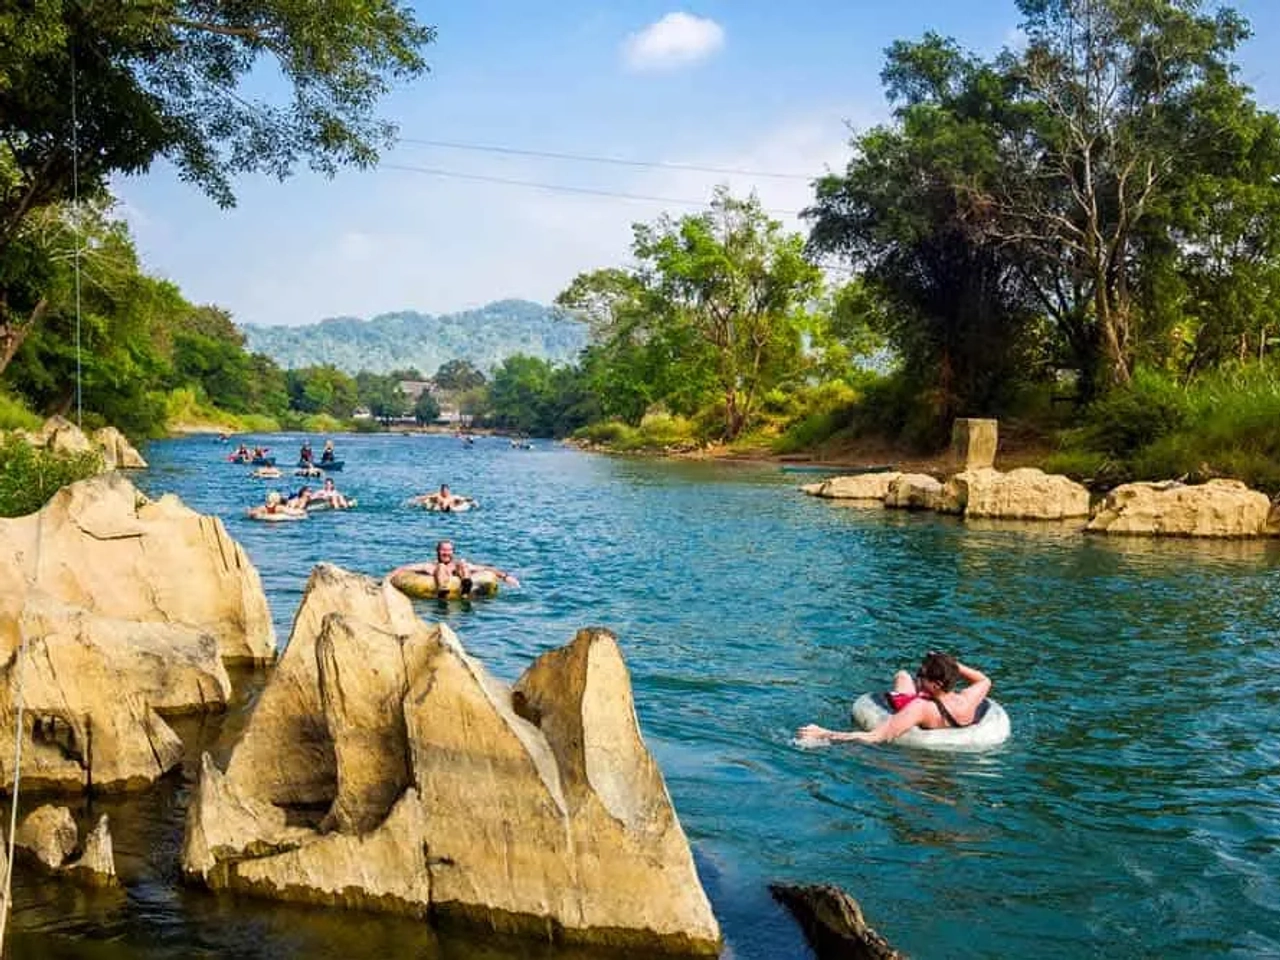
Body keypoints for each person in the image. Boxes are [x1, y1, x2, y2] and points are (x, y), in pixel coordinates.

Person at [795, 652, 992, 745]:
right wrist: (949, 664)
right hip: (943, 705)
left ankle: (904, 677)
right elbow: (984, 680)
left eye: (922, 675)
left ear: (937, 684)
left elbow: (875, 737)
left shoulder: (920, 708)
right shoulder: (967, 700)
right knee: (907, 679)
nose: (919, 678)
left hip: (919, 708)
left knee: (902, 676)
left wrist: (823, 733)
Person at [393, 539, 519, 599]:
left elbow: (486, 568)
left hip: (460, 581)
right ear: (437, 551)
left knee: (463, 563)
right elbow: (405, 568)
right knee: (441, 566)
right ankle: (442, 588)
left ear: (453, 552)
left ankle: (466, 583)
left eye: (449, 550)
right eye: (443, 550)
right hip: (440, 585)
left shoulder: (457, 564)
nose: (446, 553)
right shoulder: (429, 566)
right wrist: (387, 579)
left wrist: (505, 576)